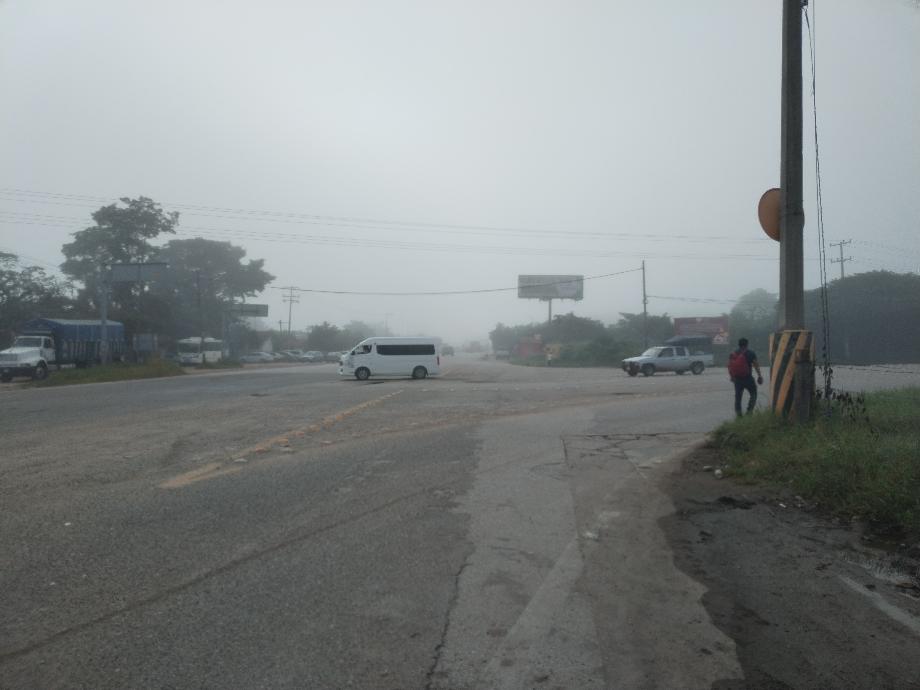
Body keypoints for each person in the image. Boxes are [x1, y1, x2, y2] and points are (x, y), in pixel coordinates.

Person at [728, 337, 763, 417]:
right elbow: (756, 365)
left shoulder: (733, 353)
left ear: (739, 344)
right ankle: (749, 412)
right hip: (748, 378)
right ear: (747, 344)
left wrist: (732, 377)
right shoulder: (750, 353)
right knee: (753, 393)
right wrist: (759, 376)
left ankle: (739, 415)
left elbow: (730, 366)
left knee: (738, 397)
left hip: (737, 379)